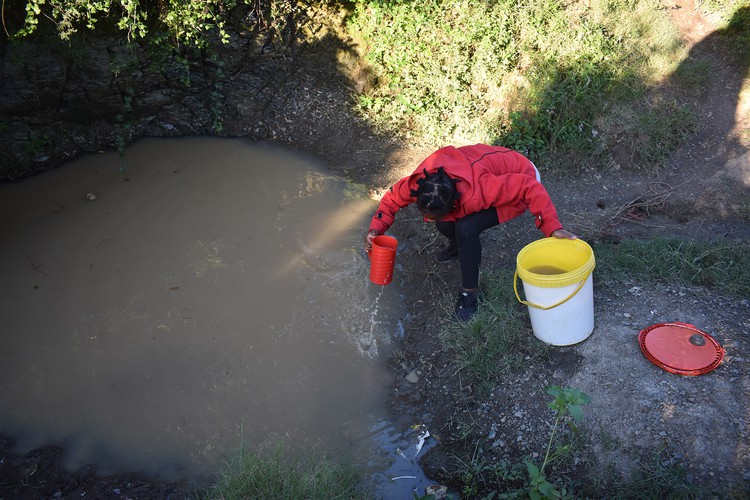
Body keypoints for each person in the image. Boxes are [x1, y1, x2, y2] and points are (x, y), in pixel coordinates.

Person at [364, 144, 577, 321]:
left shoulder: (481, 191)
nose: (427, 219)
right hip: (484, 182)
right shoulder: (422, 184)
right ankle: (459, 247)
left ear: (454, 201)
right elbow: (391, 199)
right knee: (445, 225)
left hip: (522, 178)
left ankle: (470, 293)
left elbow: (528, 187)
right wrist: (376, 229)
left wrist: (552, 227)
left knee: (466, 228)